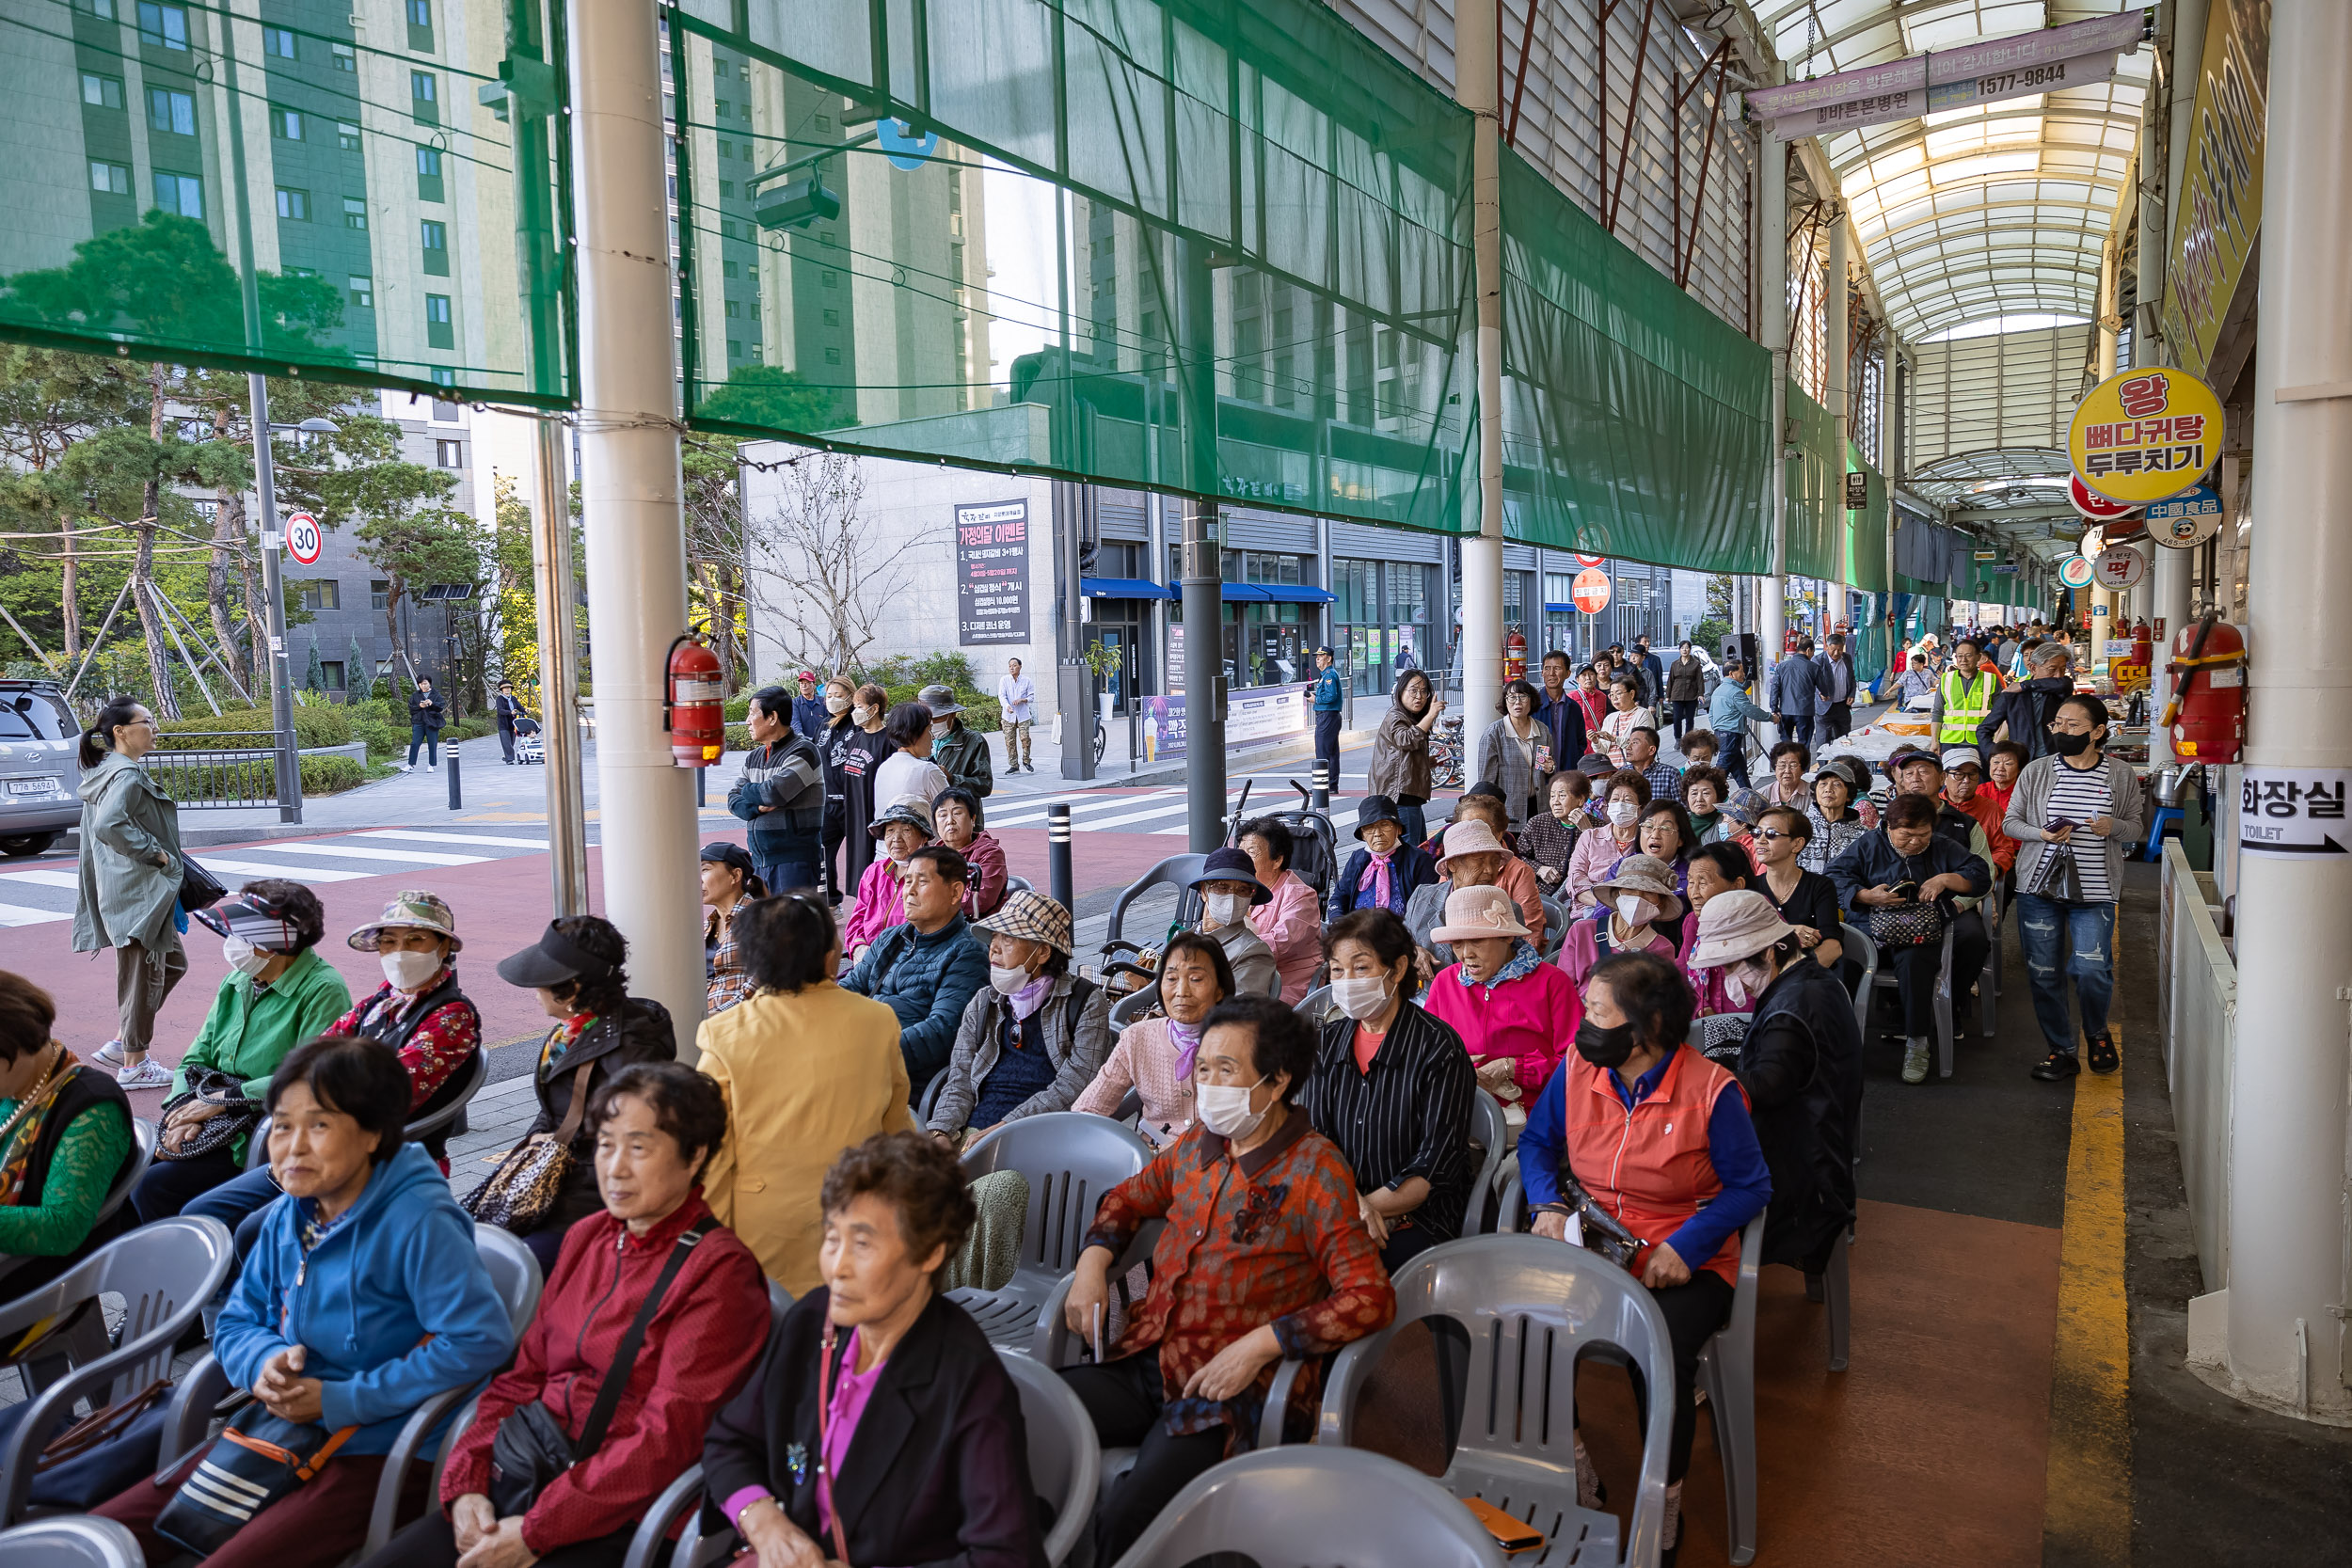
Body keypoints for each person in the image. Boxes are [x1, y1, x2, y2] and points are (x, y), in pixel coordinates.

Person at [100, 1037, 516, 1568]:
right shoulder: (289, 1213)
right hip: (283, 1426)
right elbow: (238, 1319)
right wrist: (260, 1364)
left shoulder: (420, 1222)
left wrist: (342, 1399)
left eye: (319, 1126)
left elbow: (479, 1341)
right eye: (281, 1125)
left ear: (371, 1135)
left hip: (385, 1448)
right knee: (111, 1533)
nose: (292, 1147)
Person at [360, 1064, 769, 1568]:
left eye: (638, 1148)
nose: (614, 1167)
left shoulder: (719, 1273)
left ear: (696, 1155)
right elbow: (520, 1378)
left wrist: (536, 1532)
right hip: (530, 1471)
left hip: (628, 1515)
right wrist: (466, 1483)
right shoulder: (588, 1236)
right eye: (605, 1144)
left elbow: (664, 1440)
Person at [1060, 996, 1397, 1562]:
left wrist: (1261, 1345)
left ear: (1276, 1080)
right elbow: (1127, 1198)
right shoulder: (1198, 1146)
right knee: (1016, 1418)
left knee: (1129, 1517)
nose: (1208, 1083)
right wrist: (1092, 1265)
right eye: (1205, 1068)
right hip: (1149, 1357)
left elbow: (1369, 1297)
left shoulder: (1317, 1171)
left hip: (1231, 1391)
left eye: (1226, 1070)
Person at [1516, 951, 1769, 1560]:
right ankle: (1575, 1462)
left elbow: (1751, 1186)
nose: (1584, 1026)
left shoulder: (1712, 1091)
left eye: (1599, 1013)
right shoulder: (1580, 1066)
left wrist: (1686, 1245)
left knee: (1658, 1352)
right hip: (1595, 1237)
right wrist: (1547, 1203)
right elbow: (1536, 1142)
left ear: (1648, 1027)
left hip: (1685, 1254)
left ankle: (1666, 1492)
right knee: (1524, 1329)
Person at [702, 1132, 1047, 1567]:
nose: (837, 1268)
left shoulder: (968, 1382)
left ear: (930, 1253)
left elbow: (1007, 1557)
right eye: (832, 1238)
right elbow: (729, 1441)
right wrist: (765, 1522)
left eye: (862, 1244)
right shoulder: (814, 1321)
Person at [697, 895, 918, 1293]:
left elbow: (711, 1154)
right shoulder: (876, 1020)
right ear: (829, 956)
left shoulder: (724, 1035)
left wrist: (709, 1239)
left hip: (763, 1231)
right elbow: (897, 1127)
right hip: (858, 1219)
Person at [130, 882, 353, 1223]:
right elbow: (194, 1059)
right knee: (127, 1173)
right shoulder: (237, 981)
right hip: (205, 1112)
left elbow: (311, 1077)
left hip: (259, 1125)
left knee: (155, 1186)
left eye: (244, 934)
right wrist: (181, 1112)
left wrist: (223, 1100)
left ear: (276, 943)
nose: (232, 943)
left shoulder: (324, 989)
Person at [493, 917, 679, 1273]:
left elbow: (635, 1151)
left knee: (511, 1267)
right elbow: (555, 1114)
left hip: (594, 1200)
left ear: (572, 989)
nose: (536, 992)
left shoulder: (630, 1053)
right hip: (558, 1181)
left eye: (543, 982)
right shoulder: (573, 1030)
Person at [1687, 893, 1858, 1276]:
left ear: (1769, 952)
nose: (1732, 980)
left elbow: (1768, 1084)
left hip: (1801, 1183)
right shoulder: (1811, 981)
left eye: (1733, 967)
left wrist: (1694, 1076)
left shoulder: (1793, 1007)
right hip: (1817, 1153)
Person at [2009, 693, 2142, 1082]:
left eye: (2072, 725)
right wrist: (2041, 835)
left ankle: (2096, 1032)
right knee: (2043, 972)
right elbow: (2011, 823)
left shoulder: (2120, 775)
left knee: (2091, 970)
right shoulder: (2036, 771)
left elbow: (2135, 827)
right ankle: (2060, 1050)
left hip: (2095, 892)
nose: (2061, 730)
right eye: (2057, 724)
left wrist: (2112, 827)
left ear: (2098, 732)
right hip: (2039, 890)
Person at [1829, 793, 1991, 1085]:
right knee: (1841, 964)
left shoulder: (1942, 846)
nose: (1916, 842)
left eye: (1923, 834)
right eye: (1907, 835)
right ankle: (1838, 1044)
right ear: (1888, 827)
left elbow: (1980, 875)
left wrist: (1946, 880)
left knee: (1916, 961)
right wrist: (1865, 895)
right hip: (1870, 932)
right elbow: (1835, 875)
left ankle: (1917, 1042)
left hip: (1919, 933)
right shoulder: (1869, 845)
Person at [926, 892, 1111, 1147]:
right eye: (995, 937)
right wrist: (942, 1132)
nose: (994, 947)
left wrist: (1006, 1127)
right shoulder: (984, 1001)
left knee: (998, 1187)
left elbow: (1077, 1084)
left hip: (1040, 1138)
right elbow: (960, 1078)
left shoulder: (1086, 1002)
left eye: (1009, 939)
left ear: (1043, 952)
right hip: (974, 1132)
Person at [73, 696, 184, 1090]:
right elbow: (108, 825)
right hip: (139, 891)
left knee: (171, 965)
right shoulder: (126, 776)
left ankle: (124, 1043)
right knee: (144, 974)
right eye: (147, 722)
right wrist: (155, 853)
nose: (154, 728)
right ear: (120, 732)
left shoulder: (109, 771)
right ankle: (134, 1063)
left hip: (128, 888)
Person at [0, 972, 135, 1294]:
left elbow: (62, 1227)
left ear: (16, 1048)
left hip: (38, 1276)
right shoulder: (14, 1088)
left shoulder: (92, 1106)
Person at [841, 843, 992, 1096]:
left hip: (901, 1074)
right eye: (907, 880)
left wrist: (869, 1053)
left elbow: (942, 1030)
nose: (908, 891)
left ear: (955, 893)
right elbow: (850, 987)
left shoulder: (967, 952)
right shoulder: (892, 938)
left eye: (921, 882)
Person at [1421, 885, 1576, 1123]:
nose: (1465, 954)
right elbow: (1427, 1052)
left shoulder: (1552, 983)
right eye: (1457, 943)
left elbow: (1577, 1064)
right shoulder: (1445, 982)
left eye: (1477, 941)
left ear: (1507, 936)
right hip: (1461, 1111)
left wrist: (1513, 1067)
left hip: (1538, 1115)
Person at [1073, 931, 1229, 1148]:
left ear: (1220, 989)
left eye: (1196, 979)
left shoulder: (1241, 1042)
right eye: (1171, 979)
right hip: (1153, 1162)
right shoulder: (1137, 1038)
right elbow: (1090, 1108)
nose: (1181, 991)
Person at [1406, 818, 1548, 975]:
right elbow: (1402, 940)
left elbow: (1511, 971)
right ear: (1452, 864)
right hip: (1426, 995)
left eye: (1494, 862)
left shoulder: (1507, 910)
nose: (1489, 870)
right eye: (1479, 861)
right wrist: (1413, 952)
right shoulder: (1422, 896)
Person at [1560, 854, 1686, 1025]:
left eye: (1649, 893)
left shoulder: (1662, 948)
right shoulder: (1581, 931)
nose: (1638, 897)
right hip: (1576, 1022)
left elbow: (1651, 1006)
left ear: (1661, 903)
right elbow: (1562, 990)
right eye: (1630, 890)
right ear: (1617, 894)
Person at [728, 685, 825, 895]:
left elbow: (773, 793)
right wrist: (757, 807)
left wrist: (749, 791)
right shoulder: (754, 756)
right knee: (765, 926)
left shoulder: (804, 751)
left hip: (794, 861)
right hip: (760, 861)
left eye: (752, 713)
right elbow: (732, 799)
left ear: (772, 718)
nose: (747, 720)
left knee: (791, 925)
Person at [1750, 807, 1846, 972]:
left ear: (1797, 844)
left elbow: (1833, 946)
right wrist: (1786, 931)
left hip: (1809, 976)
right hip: (1760, 975)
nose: (1761, 840)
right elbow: (1745, 938)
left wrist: (1792, 975)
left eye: (1771, 833)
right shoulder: (1750, 887)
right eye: (1757, 833)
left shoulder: (1820, 885)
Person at [1238, 816, 1323, 1002]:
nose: (1242, 859)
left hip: (1288, 982)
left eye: (1251, 852)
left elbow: (1280, 942)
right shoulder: (1240, 888)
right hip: (1248, 975)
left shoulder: (1300, 895)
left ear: (1277, 860)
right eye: (1241, 851)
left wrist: (1231, 947)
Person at [841, 795, 936, 959]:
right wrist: (859, 948)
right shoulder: (874, 872)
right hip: (869, 960)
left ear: (924, 837)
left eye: (906, 830)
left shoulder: (933, 876)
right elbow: (857, 920)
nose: (896, 839)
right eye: (890, 830)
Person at [828, 682, 895, 897]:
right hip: (854, 814)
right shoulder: (856, 737)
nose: (855, 712)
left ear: (874, 709)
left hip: (873, 815)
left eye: (859, 706)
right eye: (854, 706)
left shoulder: (888, 741)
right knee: (857, 870)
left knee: (873, 867)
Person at [1329, 794, 1438, 922]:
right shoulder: (1357, 858)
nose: (1377, 834)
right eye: (1369, 828)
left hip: (1403, 935)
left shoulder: (1418, 859)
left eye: (1385, 825)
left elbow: (1429, 907)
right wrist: (1339, 922)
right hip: (1358, 933)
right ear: (1363, 835)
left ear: (1398, 829)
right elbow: (1339, 897)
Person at [1368, 669, 1445, 847]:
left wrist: (1426, 762)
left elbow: (1401, 757)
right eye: (1413, 690)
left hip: (1407, 798)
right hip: (1400, 800)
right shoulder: (1395, 716)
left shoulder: (1408, 718)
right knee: (1411, 855)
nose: (1419, 696)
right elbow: (1406, 740)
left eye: (1424, 691)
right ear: (1400, 691)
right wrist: (1431, 715)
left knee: (1418, 853)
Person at [1565, 769, 1649, 909]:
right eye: (1615, 800)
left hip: (1633, 912)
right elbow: (1576, 880)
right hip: (1588, 910)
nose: (1620, 804)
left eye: (1627, 800)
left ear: (1642, 808)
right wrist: (1604, 905)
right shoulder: (1590, 837)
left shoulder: (1647, 842)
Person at [1979, 641, 2078, 760]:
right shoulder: (2013, 695)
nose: (2058, 675)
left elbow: (2062, 684)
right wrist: (1994, 755)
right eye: (2052, 669)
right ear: (2033, 668)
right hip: (2023, 761)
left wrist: (2025, 685)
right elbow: (1983, 730)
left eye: (2062, 669)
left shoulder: (2060, 690)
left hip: (2055, 759)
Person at [1477, 678, 1554, 831]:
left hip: (1539, 806)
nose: (1517, 702)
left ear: (1531, 701)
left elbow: (1547, 769)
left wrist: (1550, 769)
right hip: (1508, 809)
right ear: (1505, 702)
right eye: (1512, 697)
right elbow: (1487, 780)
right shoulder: (1494, 733)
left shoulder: (1542, 730)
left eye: (1523, 697)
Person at [700, 843, 768, 1015]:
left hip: (740, 1022)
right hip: (705, 1018)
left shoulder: (760, 919)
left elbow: (761, 981)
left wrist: (715, 1016)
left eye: (704, 870)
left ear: (735, 876)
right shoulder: (708, 925)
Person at [932, 786, 1008, 920]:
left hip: (980, 929)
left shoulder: (990, 853)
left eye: (957, 813)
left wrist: (932, 905)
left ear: (973, 819)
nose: (950, 821)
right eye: (943, 815)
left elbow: (980, 900)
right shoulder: (930, 856)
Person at [1943, 749, 2017, 877]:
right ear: (1943, 777)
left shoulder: (1990, 808)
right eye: (1959, 774)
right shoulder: (1934, 806)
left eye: (1973, 774)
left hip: (1977, 877)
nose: (1966, 780)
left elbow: (2004, 848)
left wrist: (1992, 868)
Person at [916, 683, 994, 799]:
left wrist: (952, 779)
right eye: (927, 719)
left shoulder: (974, 741)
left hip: (959, 812)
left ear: (952, 714)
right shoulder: (916, 739)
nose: (931, 723)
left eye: (937, 718)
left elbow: (985, 785)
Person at [1706, 657, 1772, 787]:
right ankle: (1709, 793)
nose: (1743, 674)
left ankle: (1749, 796)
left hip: (1721, 733)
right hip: (1731, 735)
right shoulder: (1735, 692)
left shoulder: (1718, 690)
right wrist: (1771, 717)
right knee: (1720, 773)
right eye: (1741, 671)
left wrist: (1718, 728)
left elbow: (1711, 714)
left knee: (1740, 773)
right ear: (1731, 674)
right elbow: (1751, 711)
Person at [1520, 770, 1589, 895]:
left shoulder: (1598, 827)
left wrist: (1588, 832)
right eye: (1552, 796)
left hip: (1580, 894)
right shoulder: (1537, 823)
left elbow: (1604, 862)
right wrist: (1539, 869)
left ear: (1580, 800)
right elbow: (1517, 857)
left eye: (1562, 796)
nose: (1555, 802)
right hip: (1540, 892)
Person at [874, 701, 950, 808]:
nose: (933, 736)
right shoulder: (928, 771)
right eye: (929, 730)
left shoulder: (883, 768)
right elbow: (950, 814)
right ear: (913, 734)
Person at [1801, 758, 1867, 875]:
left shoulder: (1863, 836)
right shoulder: (1799, 828)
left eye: (1837, 784)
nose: (1828, 789)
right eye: (1823, 784)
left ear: (1848, 795)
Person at [1932, 640, 2000, 752]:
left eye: (1968, 656)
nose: (1963, 660)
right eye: (1960, 656)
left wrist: (1997, 740)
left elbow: (2000, 714)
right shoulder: (1946, 679)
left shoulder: (1990, 679)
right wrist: (1934, 741)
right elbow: (1937, 711)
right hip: (1950, 741)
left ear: (1978, 657)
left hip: (1982, 741)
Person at [1534, 649, 1593, 779]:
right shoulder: (1533, 705)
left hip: (1567, 775)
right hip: (1538, 778)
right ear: (1542, 672)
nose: (1551, 674)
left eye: (1557, 668)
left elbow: (1581, 742)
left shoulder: (1574, 708)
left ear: (1567, 673)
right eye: (1547, 669)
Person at [1769, 640, 1825, 749]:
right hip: (1805, 712)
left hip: (1785, 712)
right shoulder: (1813, 667)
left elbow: (1774, 688)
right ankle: (1802, 766)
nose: (1812, 655)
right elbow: (1823, 688)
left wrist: (1774, 709)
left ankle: (1787, 764)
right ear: (1808, 650)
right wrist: (1825, 694)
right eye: (1812, 652)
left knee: (1786, 746)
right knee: (1804, 745)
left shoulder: (1782, 667)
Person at [1597, 676, 1655, 769]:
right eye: (1611, 694)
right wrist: (1596, 742)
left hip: (1634, 770)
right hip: (1611, 771)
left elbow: (1640, 745)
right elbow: (1602, 750)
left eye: (1618, 693)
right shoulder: (1610, 718)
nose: (1614, 698)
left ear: (1631, 694)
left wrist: (1614, 739)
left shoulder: (1643, 714)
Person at [1311, 645, 1344, 790]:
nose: (1317, 659)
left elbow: (1331, 696)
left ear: (1329, 658)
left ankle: (1324, 785)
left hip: (1327, 716)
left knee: (1323, 752)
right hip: (1328, 716)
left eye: (1321, 656)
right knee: (1330, 752)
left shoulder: (1329, 674)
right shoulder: (1326, 674)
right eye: (1317, 656)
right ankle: (1330, 784)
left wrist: (1315, 698)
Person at [1816, 633, 1859, 742]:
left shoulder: (1847, 658)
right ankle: (1822, 760)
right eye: (1833, 649)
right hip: (1825, 707)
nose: (1836, 653)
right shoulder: (1818, 660)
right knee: (1823, 739)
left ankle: (1841, 759)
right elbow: (1813, 682)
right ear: (1827, 647)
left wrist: (1851, 694)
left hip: (1843, 706)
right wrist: (1820, 692)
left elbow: (1852, 678)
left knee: (1844, 738)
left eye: (1839, 650)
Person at [997, 657, 1038, 774]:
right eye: (1010, 666)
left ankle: (1026, 761)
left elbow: (1031, 697)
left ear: (1020, 666)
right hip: (1008, 716)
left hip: (1023, 715)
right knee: (1010, 741)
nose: (1012, 668)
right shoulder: (1004, 680)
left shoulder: (1027, 680)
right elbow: (1002, 696)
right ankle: (1014, 765)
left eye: (1014, 665)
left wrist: (1022, 700)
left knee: (1025, 739)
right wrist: (1007, 706)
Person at [1626, 724, 1680, 803]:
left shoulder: (1670, 774)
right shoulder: (1622, 773)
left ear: (1651, 750)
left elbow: (1682, 809)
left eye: (1634, 743)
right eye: (1628, 742)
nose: (1628, 747)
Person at [1665, 641, 1707, 741]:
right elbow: (1670, 680)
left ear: (1690, 650)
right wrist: (1668, 694)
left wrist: (1700, 694)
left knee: (1689, 719)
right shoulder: (1675, 664)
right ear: (1679, 650)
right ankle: (1678, 739)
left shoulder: (1696, 664)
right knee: (1677, 718)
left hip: (1691, 694)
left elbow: (1699, 680)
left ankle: (1688, 739)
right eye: (1682, 648)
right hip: (1677, 694)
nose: (1684, 650)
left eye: (1687, 647)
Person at [1680, 767, 1730, 844]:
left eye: (1706, 793)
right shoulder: (1678, 822)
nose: (1699, 799)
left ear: (1718, 797)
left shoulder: (1726, 825)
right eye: (1694, 793)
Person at [405, 675, 445, 770]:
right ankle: (411, 764)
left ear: (429, 683)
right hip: (418, 722)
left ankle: (431, 765)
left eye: (425, 683)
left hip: (432, 722)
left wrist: (432, 703)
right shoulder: (415, 695)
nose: (423, 686)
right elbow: (411, 708)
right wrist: (419, 706)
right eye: (421, 684)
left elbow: (441, 706)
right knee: (415, 743)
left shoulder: (436, 694)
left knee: (432, 744)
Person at [1762, 739, 1810, 809]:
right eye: (1782, 765)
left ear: (1802, 770)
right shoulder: (1762, 796)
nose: (1787, 771)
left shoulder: (1815, 795)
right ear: (1775, 768)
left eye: (1793, 765)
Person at [1569, 660, 1613, 735]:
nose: (1588, 678)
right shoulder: (1571, 698)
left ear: (1596, 677)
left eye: (1591, 674)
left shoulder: (1602, 696)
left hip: (1599, 742)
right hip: (1581, 742)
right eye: (1583, 675)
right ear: (1577, 679)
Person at [493, 679, 527, 765]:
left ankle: (507, 756)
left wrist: (525, 710)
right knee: (506, 742)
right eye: (505, 688)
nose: (507, 690)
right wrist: (510, 712)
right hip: (503, 724)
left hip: (514, 724)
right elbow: (500, 710)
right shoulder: (500, 699)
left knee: (511, 742)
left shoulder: (513, 698)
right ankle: (509, 759)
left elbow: (519, 707)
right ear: (502, 690)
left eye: (509, 688)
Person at [1630, 635, 1666, 711]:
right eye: (1645, 642)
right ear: (1638, 643)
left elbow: (1659, 678)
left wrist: (1660, 695)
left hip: (1648, 699)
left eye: (1648, 641)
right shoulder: (1629, 668)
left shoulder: (1655, 660)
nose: (1647, 644)